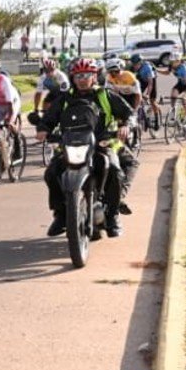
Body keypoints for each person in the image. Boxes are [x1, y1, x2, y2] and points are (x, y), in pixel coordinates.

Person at [37, 58, 134, 237]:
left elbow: (129, 113)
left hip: (101, 144)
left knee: (114, 170)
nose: (82, 79)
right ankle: (60, 214)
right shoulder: (65, 98)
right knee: (51, 172)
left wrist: (125, 125)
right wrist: (43, 129)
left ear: (94, 77)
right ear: (73, 78)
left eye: (87, 75)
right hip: (70, 145)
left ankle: (112, 216)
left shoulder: (105, 95)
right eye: (78, 76)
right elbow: (49, 118)